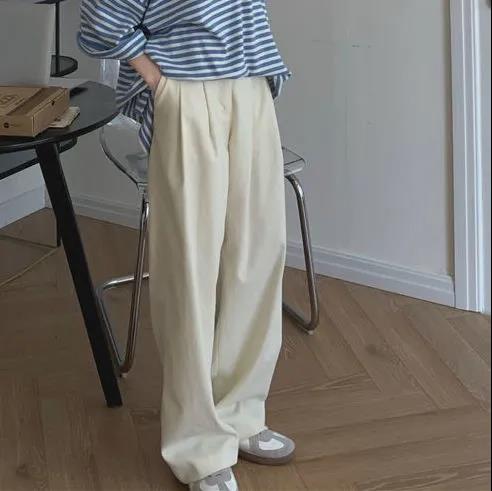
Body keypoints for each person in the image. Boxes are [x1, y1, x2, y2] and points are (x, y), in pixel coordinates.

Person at [78, 1, 293, 490]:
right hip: (187, 90)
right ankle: (198, 445)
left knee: (258, 255)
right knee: (190, 269)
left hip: (252, 84)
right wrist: (158, 80)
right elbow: (102, 13)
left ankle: (241, 412)